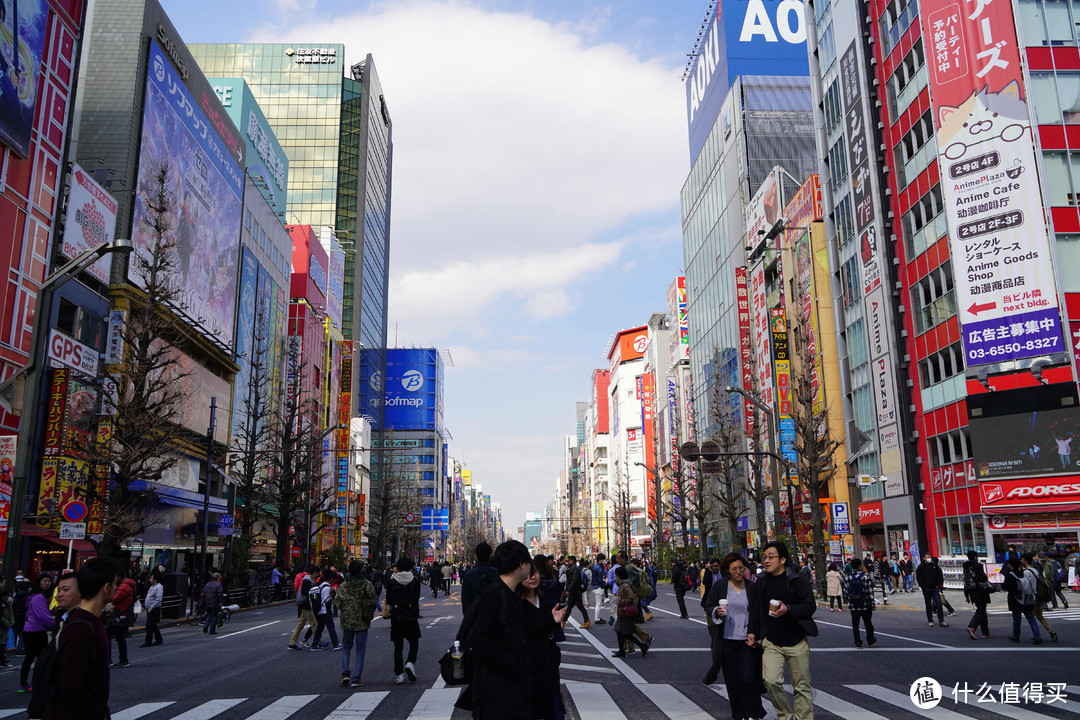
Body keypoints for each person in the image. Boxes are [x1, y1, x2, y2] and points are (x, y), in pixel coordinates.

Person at [457, 540, 562, 719]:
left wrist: (548, 620)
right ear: (522, 565)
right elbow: (479, 640)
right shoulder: (494, 595)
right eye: (529, 562)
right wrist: (514, 662)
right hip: (497, 689)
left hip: (509, 686)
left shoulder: (508, 593)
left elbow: (520, 630)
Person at [747, 541, 818, 720]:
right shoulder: (761, 582)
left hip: (796, 640)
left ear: (783, 559)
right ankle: (785, 715)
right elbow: (755, 609)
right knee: (770, 681)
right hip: (772, 641)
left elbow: (809, 607)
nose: (767, 561)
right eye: (765, 557)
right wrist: (752, 631)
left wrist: (789, 610)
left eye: (771, 557)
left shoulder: (797, 580)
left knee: (801, 686)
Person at [50, 557, 115, 720]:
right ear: (106, 587)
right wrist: (98, 714)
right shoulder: (82, 627)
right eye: (115, 583)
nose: (116, 587)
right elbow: (71, 685)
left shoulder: (86, 622)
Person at [702, 553, 765, 720]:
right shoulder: (721, 586)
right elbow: (708, 605)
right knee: (732, 682)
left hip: (746, 641)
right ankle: (738, 715)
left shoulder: (751, 587)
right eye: (734, 569)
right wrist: (717, 611)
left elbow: (756, 612)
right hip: (726, 641)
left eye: (741, 568)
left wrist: (753, 632)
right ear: (727, 571)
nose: (738, 571)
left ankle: (753, 711)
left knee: (747, 677)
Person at [518, 562, 565, 719]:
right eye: (528, 574)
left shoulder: (542, 599)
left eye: (535, 572)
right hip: (525, 670)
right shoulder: (515, 603)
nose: (532, 577)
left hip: (546, 667)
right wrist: (548, 621)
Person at [335, 560, 376, 687]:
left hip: (347, 620)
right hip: (362, 620)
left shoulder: (344, 585)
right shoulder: (366, 584)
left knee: (346, 647)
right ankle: (356, 678)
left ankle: (345, 674)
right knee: (360, 650)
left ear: (348, 571)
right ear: (361, 571)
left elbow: (337, 602)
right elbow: (373, 599)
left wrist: (346, 608)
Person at [386, 556, 422, 684]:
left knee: (398, 646)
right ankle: (411, 662)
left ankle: (399, 674)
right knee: (414, 641)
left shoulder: (392, 581)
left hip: (397, 615)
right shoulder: (415, 580)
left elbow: (389, 600)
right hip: (411, 614)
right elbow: (416, 598)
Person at [19, 575, 54, 693]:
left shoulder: (33, 596)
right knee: (40, 659)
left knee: (28, 658)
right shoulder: (39, 597)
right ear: (39, 582)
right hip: (37, 631)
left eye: (49, 581)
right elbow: (44, 616)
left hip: (28, 629)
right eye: (44, 581)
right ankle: (34, 684)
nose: (47, 583)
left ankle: (23, 685)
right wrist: (52, 625)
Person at [612, 566, 651, 658]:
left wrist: (620, 602)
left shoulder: (625, 585)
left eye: (616, 575)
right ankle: (622, 651)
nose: (616, 576)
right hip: (622, 611)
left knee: (626, 633)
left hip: (626, 612)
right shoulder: (623, 584)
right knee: (619, 631)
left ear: (619, 576)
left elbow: (631, 597)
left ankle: (642, 646)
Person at [1003, 557, 1041, 644]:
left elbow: (1005, 586)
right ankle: (1037, 635)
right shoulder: (1023, 573)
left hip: (1015, 598)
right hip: (1026, 597)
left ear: (1010, 565)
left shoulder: (1010, 575)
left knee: (1016, 618)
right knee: (1030, 617)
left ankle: (1016, 636)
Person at [1023, 553, 1058, 642]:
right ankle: (1051, 631)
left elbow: (1026, 586)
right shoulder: (1035, 570)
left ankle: (1037, 635)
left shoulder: (1026, 572)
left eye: (1022, 559)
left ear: (1026, 560)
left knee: (1031, 617)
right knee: (1040, 616)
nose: (1021, 561)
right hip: (1039, 596)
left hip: (1032, 597)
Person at [845, 557, 876, 648]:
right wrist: (872, 604)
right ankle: (870, 640)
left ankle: (857, 641)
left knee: (855, 624)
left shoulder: (848, 577)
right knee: (868, 623)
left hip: (853, 605)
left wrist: (851, 598)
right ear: (859, 566)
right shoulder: (865, 576)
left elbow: (846, 592)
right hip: (865, 604)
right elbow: (869, 592)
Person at [461, 542, 499, 615]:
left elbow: (466, 601)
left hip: (475, 616)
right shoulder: (497, 573)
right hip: (494, 616)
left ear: (476, 555)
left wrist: (468, 619)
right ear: (490, 555)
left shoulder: (469, 575)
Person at [962, 551, 992, 639]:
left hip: (971, 591)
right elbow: (982, 578)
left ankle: (985, 632)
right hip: (980, 590)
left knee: (982, 609)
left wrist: (966, 595)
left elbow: (966, 581)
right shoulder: (978, 566)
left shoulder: (966, 566)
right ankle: (972, 626)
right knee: (981, 610)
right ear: (975, 557)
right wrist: (985, 576)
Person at [309, 571, 341, 650]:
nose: (334, 581)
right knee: (331, 627)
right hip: (325, 610)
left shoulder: (322, 585)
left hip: (321, 610)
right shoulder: (327, 587)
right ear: (331, 578)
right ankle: (336, 644)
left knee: (320, 628)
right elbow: (327, 600)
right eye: (333, 579)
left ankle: (314, 644)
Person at [288, 565, 317, 650]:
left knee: (300, 624)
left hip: (304, 605)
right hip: (306, 605)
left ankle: (292, 643)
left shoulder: (307, 579)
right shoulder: (307, 581)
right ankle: (318, 641)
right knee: (314, 624)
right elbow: (307, 594)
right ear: (314, 572)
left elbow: (297, 585)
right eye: (317, 573)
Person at [915, 553, 947, 627]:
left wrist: (940, 585)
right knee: (928, 605)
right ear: (924, 558)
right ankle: (930, 620)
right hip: (926, 589)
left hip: (935, 588)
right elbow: (919, 578)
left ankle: (941, 620)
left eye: (930, 557)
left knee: (939, 604)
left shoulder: (935, 566)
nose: (929, 558)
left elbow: (940, 575)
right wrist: (923, 587)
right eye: (927, 557)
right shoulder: (921, 567)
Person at [562, 555, 589, 628]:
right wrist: (567, 572)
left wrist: (568, 590)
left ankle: (587, 621)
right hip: (573, 591)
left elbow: (573, 581)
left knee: (580, 607)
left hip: (576, 591)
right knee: (569, 607)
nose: (568, 562)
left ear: (572, 561)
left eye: (569, 561)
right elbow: (570, 580)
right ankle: (563, 621)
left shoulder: (575, 570)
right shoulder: (572, 569)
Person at [140, 572, 163, 647]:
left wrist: (151, 607)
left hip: (154, 609)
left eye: (151, 578)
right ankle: (159, 639)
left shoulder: (158, 587)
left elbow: (158, 599)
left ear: (155, 580)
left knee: (149, 625)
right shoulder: (152, 587)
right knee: (153, 625)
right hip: (149, 608)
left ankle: (148, 641)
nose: (150, 579)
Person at [701, 558, 723, 637]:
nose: (715, 568)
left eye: (717, 566)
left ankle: (719, 639)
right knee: (711, 624)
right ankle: (714, 637)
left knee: (722, 623)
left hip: (721, 601)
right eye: (713, 566)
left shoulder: (723, 574)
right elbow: (704, 582)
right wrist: (708, 571)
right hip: (710, 601)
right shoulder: (709, 574)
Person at [591, 554, 607, 623]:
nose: (604, 561)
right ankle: (597, 618)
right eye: (603, 559)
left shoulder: (595, 567)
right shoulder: (599, 568)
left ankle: (598, 617)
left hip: (595, 586)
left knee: (598, 603)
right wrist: (604, 581)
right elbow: (600, 579)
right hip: (598, 587)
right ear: (600, 560)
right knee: (598, 603)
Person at [0, 590, 11, 667]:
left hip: (5, 628)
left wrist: (11, 622)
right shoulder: (2, 606)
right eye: (7, 596)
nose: (8, 597)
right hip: (2, 628)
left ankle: (3, 660)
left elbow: (11, 614)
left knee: (3, 645)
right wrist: (7, 623)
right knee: (1, 645)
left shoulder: (7, 605)